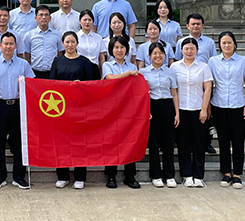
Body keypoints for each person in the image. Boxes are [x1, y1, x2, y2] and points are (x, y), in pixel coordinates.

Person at [50, 31, 100, 190]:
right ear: (62, 44)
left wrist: (81, 85)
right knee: (62, 143)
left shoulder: (85, 62)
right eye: (67, 42)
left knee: (79, 143)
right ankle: (62, 176)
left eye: (73, 42)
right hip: (61, 109)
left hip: (80, 108)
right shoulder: (57, 61)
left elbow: (93, 85)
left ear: (77, 43)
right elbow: (51, 84)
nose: (70, 45)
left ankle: (80, 177)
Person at [0, 32, 35, 190]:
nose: (8, 46)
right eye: (5, 44)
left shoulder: (23, 64)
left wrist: (25, 82)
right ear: (0, 46)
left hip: (17, 105)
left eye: (11, 43)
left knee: (18, 142)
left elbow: (32, 84)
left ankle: (19, 177)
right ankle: (0, 176)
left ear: (15, 46)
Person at [208, 32, 245, 190]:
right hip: (219, 105)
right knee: (223, 140)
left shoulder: (243, 60)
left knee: (238, 141)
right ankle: (226, 173)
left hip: (238, 105)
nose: (226, 45)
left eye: (229, 42)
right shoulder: (213, 61)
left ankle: (238, 174)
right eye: (223, 43)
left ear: (234, 43)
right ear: (219, 45)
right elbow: (208, 84)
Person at [171, 37, 213, 188]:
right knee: (183, 143)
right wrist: (176, 112)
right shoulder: (174, 67)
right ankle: (187, 175)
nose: (189, 51)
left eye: (192, 48)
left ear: (197, 50)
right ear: (181, 50)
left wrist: (204, 109)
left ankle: (198, 176)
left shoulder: (203, 67)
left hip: (198, 110)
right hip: (181, 110)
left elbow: (207, 89)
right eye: (186, 48)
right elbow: (173, 90)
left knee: (199, 143)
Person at [174, 13, 217, 155]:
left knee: (206, 114)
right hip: (185, 80)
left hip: (204, 79)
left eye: (198, 24)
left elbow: (212, 61)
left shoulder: (209, 42)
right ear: (187, 26)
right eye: (193, 24)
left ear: (202, 25)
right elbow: (178, 59)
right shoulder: (181, 42)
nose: (195, 26)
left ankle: (207, 142)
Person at [101, 36, 141, 189]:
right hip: (112, 108)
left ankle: (130, 176)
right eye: (116, 47)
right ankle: (111, 175)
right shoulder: (107, 65)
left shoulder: (132, 66)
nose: (119, 50)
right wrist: (129, 74)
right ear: (111, 50)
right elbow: (111, 79)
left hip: (129, 108)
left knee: (130, 141)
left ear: (127, 49)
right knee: (112, 142)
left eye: (122, 47)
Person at [139, 42, 179, 188]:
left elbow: (174, 93)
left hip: (168, 106)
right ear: (149, 56)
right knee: (154, 142)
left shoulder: (170, 71)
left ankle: (169, 175)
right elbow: (142, 94)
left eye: (160, 53)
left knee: (169, 142)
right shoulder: (143, 72)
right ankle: (155, 175)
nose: (158, 56)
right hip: (152, 106)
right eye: (155, 53)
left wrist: (177, 113)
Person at [23, 4, 64, 79]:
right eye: (41, 15)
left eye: (46, 15)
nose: (44, 17)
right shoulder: (29, 35)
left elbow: (59, 53)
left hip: (52, 72)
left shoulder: (57, 34)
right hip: (35, 72)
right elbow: (27, 54)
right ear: (35, 18)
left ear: (50, 18)